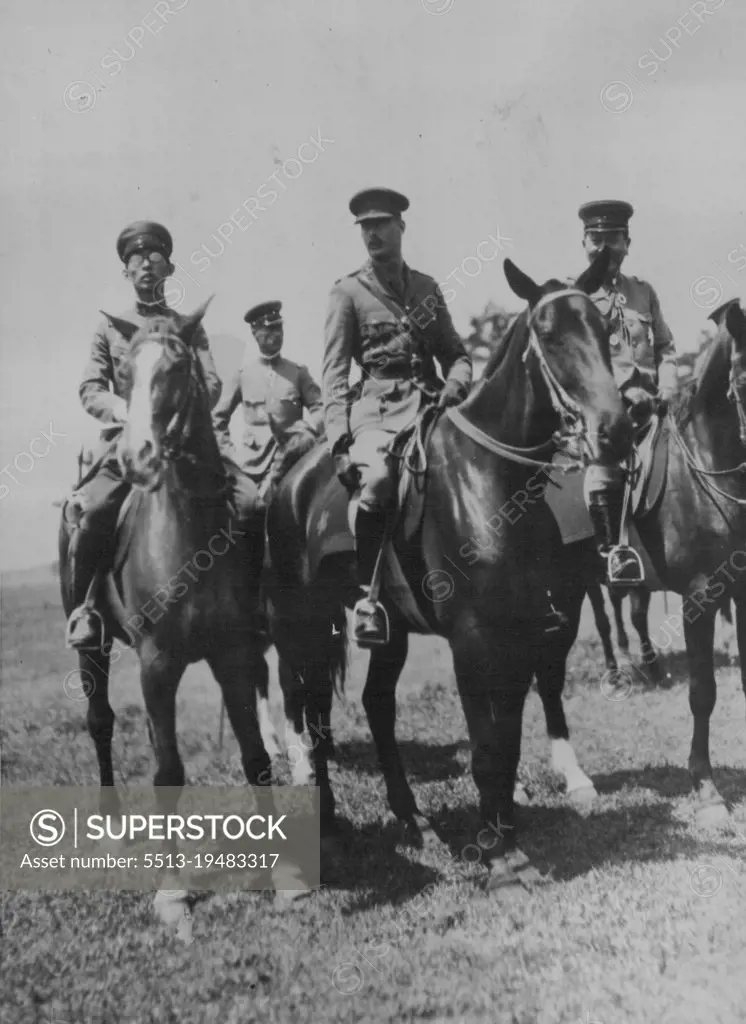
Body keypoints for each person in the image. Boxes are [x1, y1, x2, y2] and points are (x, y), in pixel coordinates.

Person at [65, 220, 263, 649]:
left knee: (250, 502)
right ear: (126, 272)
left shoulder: (188, 326)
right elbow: (90, 388)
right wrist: (124, 408)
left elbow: (211, 384)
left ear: (169, 268)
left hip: (187, 444)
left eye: (154, 257)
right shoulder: (111, 328)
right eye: (135, 260)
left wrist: (182, 412)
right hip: (128, 445)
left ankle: (253, 607)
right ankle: (88, 611)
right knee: (94, 510)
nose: (145, 266)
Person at [322, 187, 472, 646]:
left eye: (381, 224)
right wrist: (338, 442)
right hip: (377, 416)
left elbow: (457, 355)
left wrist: (454, 387)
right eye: (366, 227)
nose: (373, 233)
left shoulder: (426, 287)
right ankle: (369, 599)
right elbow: (333, 373)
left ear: (400, 228)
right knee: (380, 482)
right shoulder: (347, 292)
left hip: (430, 409)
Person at [577, 200, 677, 586]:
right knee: (603, 468)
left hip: (653, 407)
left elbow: (666, 347)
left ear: (627, 243)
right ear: (584, 244)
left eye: (613, 240)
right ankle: (613, 554)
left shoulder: (643, 292)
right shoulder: (578, 295)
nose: (605, 249)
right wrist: (614, 398)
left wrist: (667, 386)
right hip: (605, 413)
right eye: (596, 240)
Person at [212, 300, 323, 497]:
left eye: (279, 328)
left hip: (293, 458)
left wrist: (312, 430)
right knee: (246, 510)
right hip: (252, 464)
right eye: (269, 329)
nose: (277, 334)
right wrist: (231, 456)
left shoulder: (298, 373)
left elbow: (319, 407)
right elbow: (217, 419)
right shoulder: (243, 376)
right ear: (255, 334)